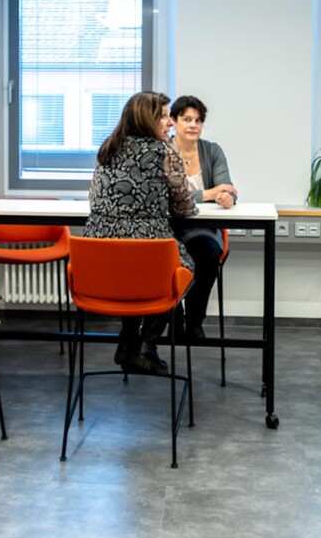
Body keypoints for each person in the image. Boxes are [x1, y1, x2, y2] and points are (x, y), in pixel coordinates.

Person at [88, 91, 197, 375]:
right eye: (164, 116)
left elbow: (93, 197)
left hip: (98, 251)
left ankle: (127, 341)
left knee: (131, 277)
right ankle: (146, 346)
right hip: (148, 246)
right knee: (182, 269)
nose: (170, 123)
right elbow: (184, 207)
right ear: (146, 119)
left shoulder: (108, 147)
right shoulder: (165, 152)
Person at [169, 94, 237, 342]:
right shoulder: (162, 151)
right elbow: (168, 197)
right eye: (187, 119)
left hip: (203, 228)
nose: (193, 125)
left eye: (198, 120)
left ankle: (195, 320)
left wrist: (227, 197)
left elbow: (227, 187)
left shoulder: (212, 151)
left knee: (207, 255)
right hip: (168, 228)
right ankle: (172, 315)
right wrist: (208, 194)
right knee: (159, 254)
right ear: (173, 121)